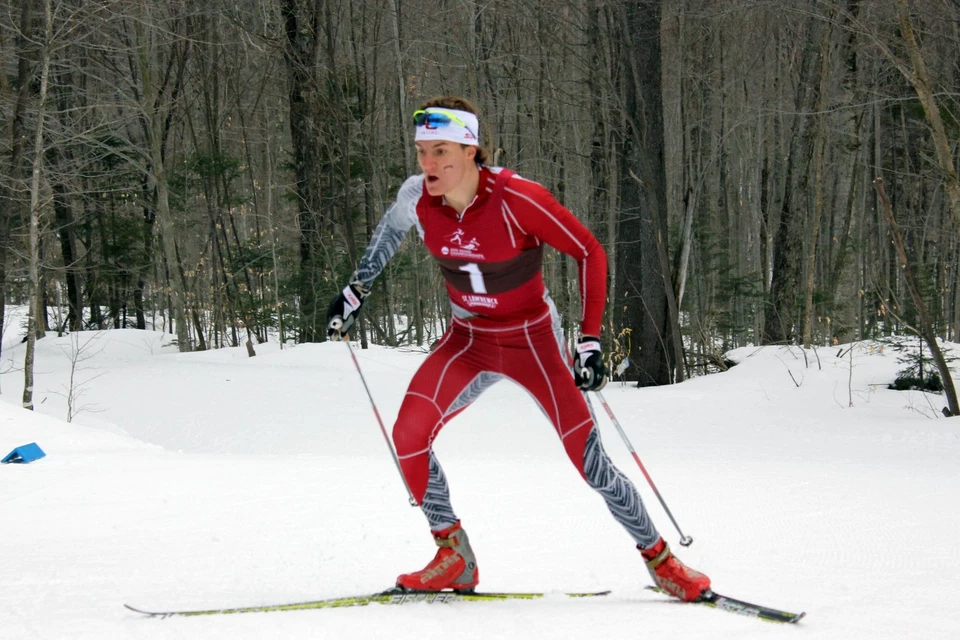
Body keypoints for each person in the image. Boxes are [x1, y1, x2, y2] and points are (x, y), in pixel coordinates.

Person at [326, 96, 710, 602]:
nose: (428, 163)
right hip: (468, 340)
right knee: (409, 434)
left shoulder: (516, 197)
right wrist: (356, 290)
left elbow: (588, 250)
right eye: (421, 151)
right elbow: (390, 230)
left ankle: (661, 560)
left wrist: (589, 339)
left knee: (590, 461)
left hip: (533, 342)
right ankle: (453, 555)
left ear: (470, 150)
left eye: (440, 151)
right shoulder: (416, 196)